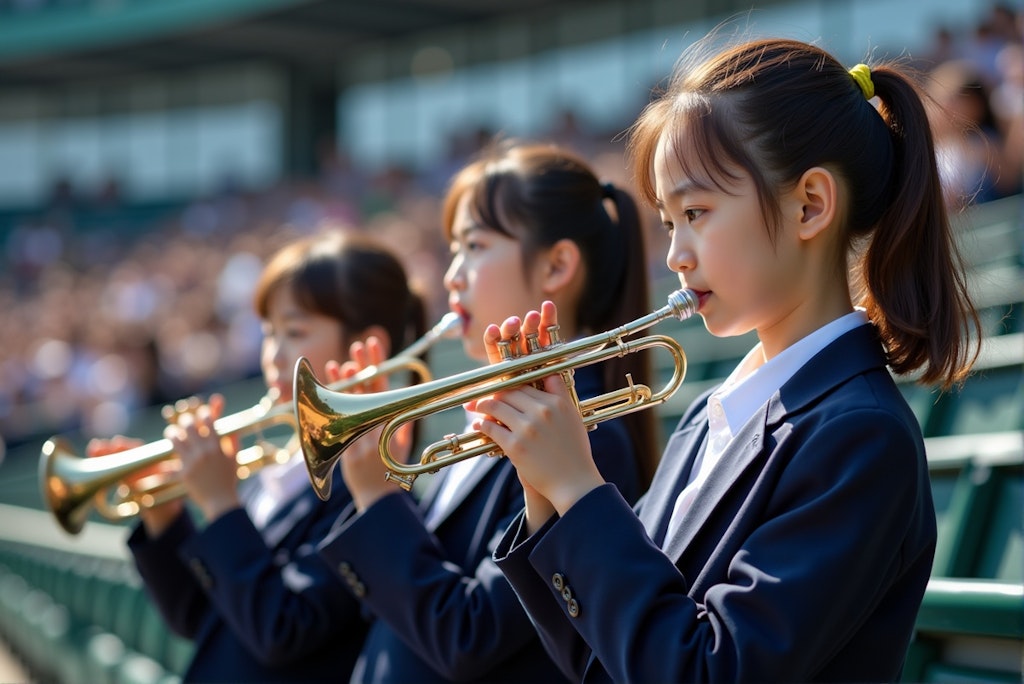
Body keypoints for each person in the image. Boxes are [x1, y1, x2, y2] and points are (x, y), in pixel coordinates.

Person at [471, 36, 980, 682]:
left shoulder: (861, 436)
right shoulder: (713, 412)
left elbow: (710, 672)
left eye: (697, 212)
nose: (676, 255)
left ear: (810, 205)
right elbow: (599, 660)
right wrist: (543, 488)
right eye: (668, 222)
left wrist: (578, 485)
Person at [316, 140, 659, 682]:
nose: (452, 274)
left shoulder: (591, 435)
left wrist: (377, 497)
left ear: (557, 265)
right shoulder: (496, 411)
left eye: (474, 246)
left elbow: (470, 635)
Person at [87, 229, 428, 683]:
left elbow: (283, 631)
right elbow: (198, 617)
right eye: (268, 333)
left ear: (366, 347)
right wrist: (165, 515)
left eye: (295, 331)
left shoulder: (371, 492)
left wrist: (220, 505)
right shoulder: (277, 470)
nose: (273, 354)